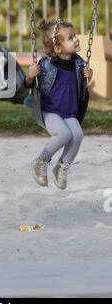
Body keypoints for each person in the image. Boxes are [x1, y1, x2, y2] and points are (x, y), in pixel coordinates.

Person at [24, 18, 93, 190]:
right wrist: (31, 75)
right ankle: (41, 161)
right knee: (64, 134)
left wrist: (88, 76)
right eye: (70, 38)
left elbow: (83, 87)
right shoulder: (46, 64)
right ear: (57, 48)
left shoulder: (79, 64)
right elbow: (28, 84)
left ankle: (62, 166)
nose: (76, 39)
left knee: (77, 135)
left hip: (69, 113)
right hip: (50, 111)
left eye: (74, 35)